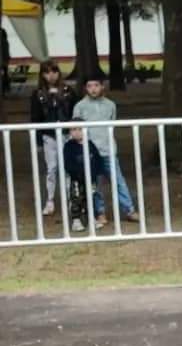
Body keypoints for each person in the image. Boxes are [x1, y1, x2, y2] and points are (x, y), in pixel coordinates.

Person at [72, 74, 139, 222]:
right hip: (90, 152)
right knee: (96, 184)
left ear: (102, 86)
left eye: (96, 85)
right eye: (89, 86)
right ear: (85, 88)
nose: (93, 89)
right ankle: (100, 212)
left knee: (118, 181)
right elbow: (76, 129)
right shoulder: (80, 106)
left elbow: (112, 124)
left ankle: (129, 209)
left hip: (108, 150)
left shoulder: (110, 105)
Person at [29, 60, 74, 217]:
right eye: (47, 72)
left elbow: (74, 113)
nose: (51, 75)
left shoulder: (68, 91)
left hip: (67, 134)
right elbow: (35, 118)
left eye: (54, 71)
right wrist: (38, 141)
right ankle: (50, 200)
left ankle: (71, 199)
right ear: (42, 75)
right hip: (49, 135)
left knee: (68, 168)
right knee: (51, 168)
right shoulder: (38, 94)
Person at [62, 125, 112, 228]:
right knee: (76, 198)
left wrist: (97, 174)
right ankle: (76, 220)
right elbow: (67, 163)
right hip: (76, 179)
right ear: (70, 131)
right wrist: (75, 173)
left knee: (90, 198)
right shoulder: (68, 146)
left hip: (90, 178)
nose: (77, 132)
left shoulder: (90, 144)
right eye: (74, 129)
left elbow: (97, 159)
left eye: (80, 129)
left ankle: (91, 218)